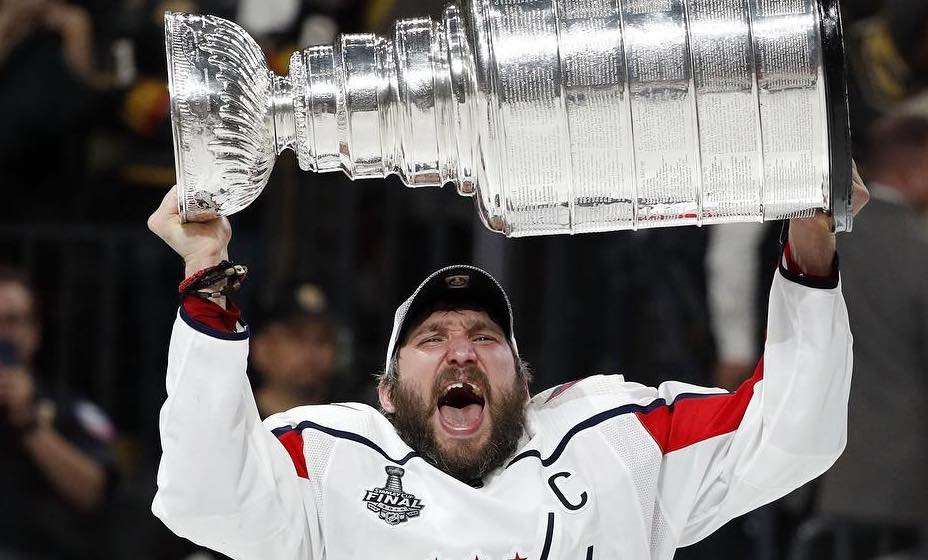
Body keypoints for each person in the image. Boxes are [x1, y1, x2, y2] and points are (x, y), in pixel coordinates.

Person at [147, 168, 869, 558]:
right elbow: (205, 496)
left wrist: (811, 242)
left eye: (486, 338)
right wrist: (205, 273)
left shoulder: (615, 439)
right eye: (431, 339)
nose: (461, 349)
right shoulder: (329, 458)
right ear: (387, 394)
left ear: (526, 383)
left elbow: (790, 435)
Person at [803, 113, 928, 559]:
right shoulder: (916, 250)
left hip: (809, 465)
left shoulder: (819, 236)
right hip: (898, 476)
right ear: (917, 168)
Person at [0, 264, 117, 560]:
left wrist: (30, 423)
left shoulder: (70, 408)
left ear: (34, 331)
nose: (2, 333)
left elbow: (95, 493)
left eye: (12, 321)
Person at [250, 287, 343, 418]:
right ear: (262, 348)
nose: (312, 350)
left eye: (322, 339)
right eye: (297, 337)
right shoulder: (233, 419)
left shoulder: (352, 423)